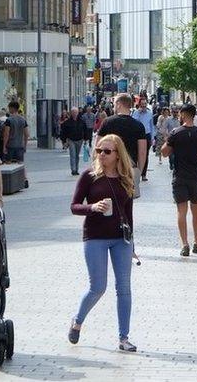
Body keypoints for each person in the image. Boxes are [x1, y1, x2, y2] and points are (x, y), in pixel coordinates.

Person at [68, 134, 138, 353]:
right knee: (97, 287)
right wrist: (92, 207)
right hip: (95, 236)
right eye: (99, 150)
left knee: (124, 287)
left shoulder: (126, 176)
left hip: (121, 239)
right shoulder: (89, 176)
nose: (102, 155)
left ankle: (123, 338)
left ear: (118, 154)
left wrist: (132, 241)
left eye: (107, 151)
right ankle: (77, 321)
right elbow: (74, 206)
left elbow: (129, 212)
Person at [161, 105, 197, 256]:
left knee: (181, 211)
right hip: (196, 176)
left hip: (180, 176)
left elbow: (164, 152)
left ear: (182, 114)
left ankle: (185, 244)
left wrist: (168, 142)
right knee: (196, 211)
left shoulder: (175, 133)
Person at [98, 94, 148, 199]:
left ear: (119, 104)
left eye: (115, 103)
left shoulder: (107, 122)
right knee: (128, 203)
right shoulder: (138, 125)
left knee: (110, 202)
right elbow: (142, 152)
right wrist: (139, 171)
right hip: (130, 168)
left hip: (110, 168)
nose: (114, 106)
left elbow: (98, 146)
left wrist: (99, 167)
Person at [131, 96, 154, 182]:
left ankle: (144, 174)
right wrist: (139, 114)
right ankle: (137, 173)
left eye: (145, 104)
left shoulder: (149, 113)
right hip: (137, 135)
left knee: (145, 155)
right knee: (136, 154)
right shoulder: (136, 112)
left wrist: (152, 138)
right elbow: (133, 122)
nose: (144, 106)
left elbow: (152, 126)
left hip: (146, 135)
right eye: (142, 104)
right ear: (139, 104)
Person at [61, 107, 88, 176]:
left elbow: (85, 130)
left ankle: (76, 169)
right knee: (73, 155)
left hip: (80, 140)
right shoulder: (67, 122)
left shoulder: (82, 121)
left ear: (78, 113)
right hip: (71, 140)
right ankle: (73, 170)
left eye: (76, 112)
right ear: (71, 113)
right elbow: (63, 132)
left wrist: (86, 139)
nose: (74, 114)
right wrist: (64, 141)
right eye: (73, 112)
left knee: (77, 155)